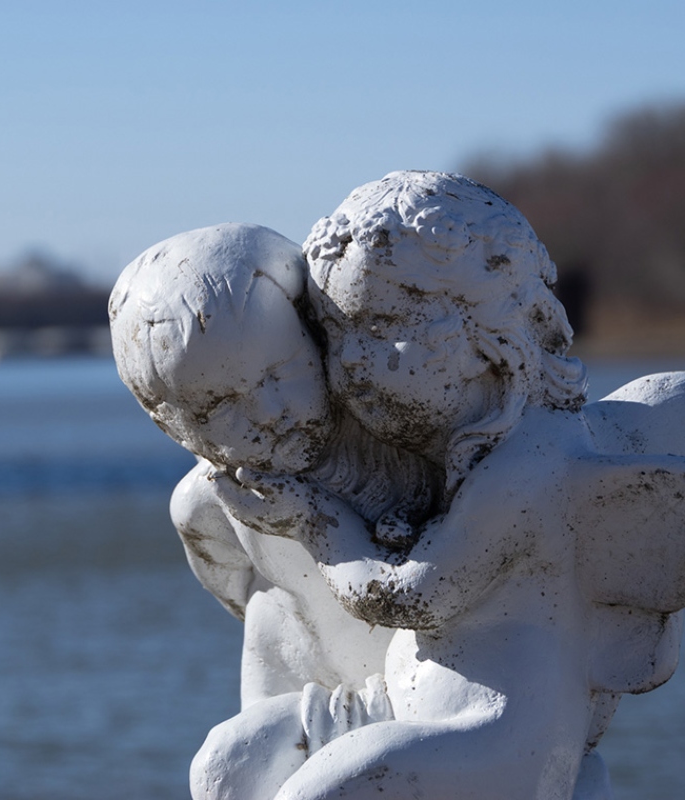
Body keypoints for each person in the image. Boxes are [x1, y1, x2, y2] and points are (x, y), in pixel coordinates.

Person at [211, 171, 685, 800]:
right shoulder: (450, 449)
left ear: (489, 338)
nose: (349, 361)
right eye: (336, 332)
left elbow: (411, 599)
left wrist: (313, 522)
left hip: (490, 735)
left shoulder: (529, 463)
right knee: (232, 761)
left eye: (379, 327)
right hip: (397, 701)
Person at [110, 222, 438, 799]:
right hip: (295, 684)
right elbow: (237, 592)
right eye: (220, 408)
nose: (268, 412)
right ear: (173, 426)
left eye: (279, 373)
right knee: (225, 773)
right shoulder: (208, 505)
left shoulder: (414, 448)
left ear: (315, 336)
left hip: (425, 693)